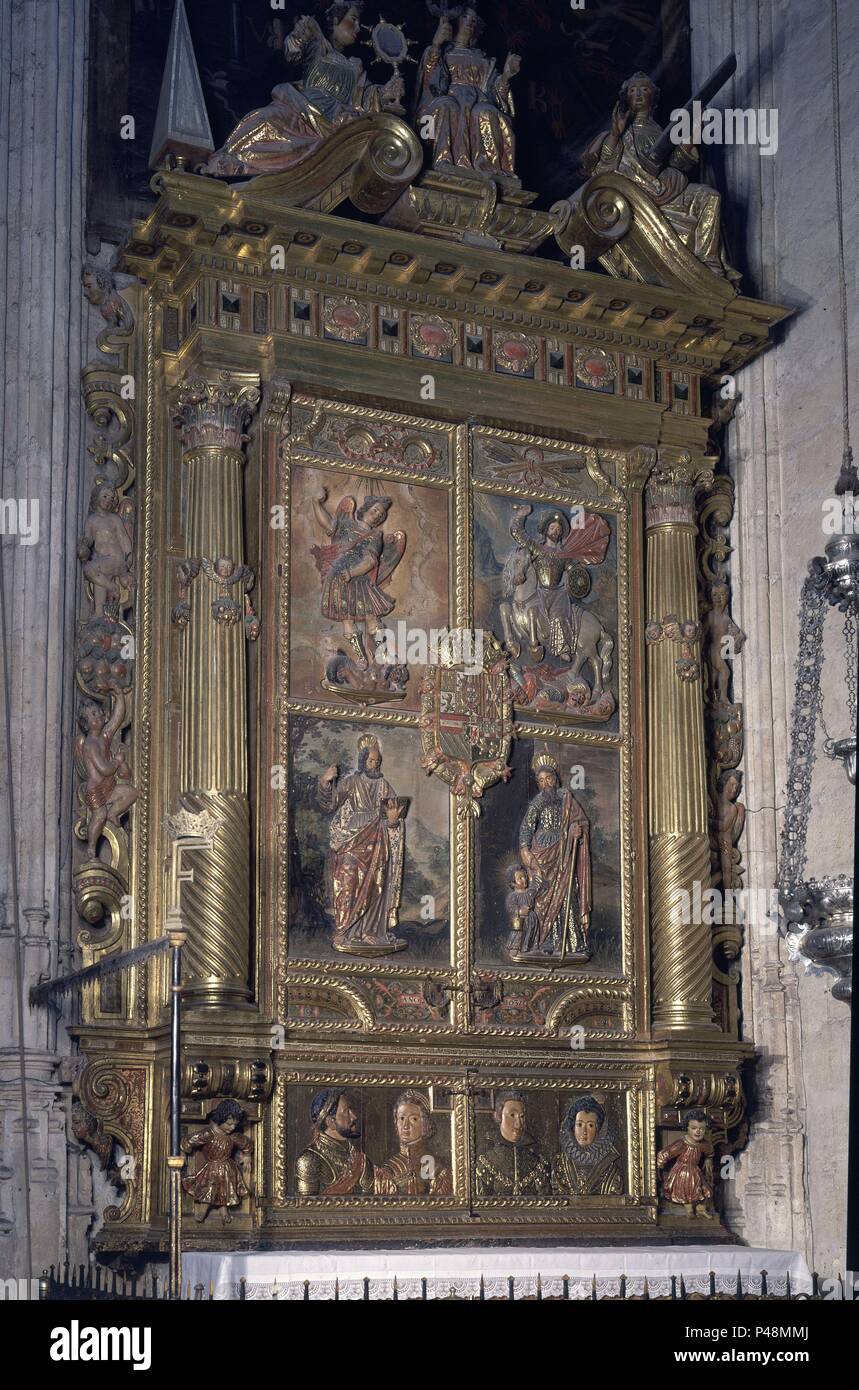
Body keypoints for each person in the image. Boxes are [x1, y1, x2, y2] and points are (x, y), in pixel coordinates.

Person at [208, 5, 405, 177]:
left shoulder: (355, 66)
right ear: (335, 20)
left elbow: (363, 97)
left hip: (336, 124)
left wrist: (384, 93)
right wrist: (298, 37)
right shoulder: (318, 44)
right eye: (352, 20)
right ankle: (233, 160)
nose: (357, 28)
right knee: (267, 118)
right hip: (301, 109)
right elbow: (292, 53)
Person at [581, 71, 739, 283]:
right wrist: (616, 135)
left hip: (667, 190)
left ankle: (709, 263)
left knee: (710, 197)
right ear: (625, 97)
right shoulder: (618, 133)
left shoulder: (660, 132)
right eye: (633, 90)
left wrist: (694, 134)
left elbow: (677, 164)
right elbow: (603, 171)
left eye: (644, 90)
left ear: (653, 97)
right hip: (637, 196)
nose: (638, 94)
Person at [318, 734, 408, 955]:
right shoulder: (351, 782)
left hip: (377, 844)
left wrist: (394, 820)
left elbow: (393, 816)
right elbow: (330, 804)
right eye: (370, 761)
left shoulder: (384, 786)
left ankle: (370, 932)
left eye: (377, 762)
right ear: (362, 761)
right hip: (351, 842)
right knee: (347, 886)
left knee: (376, 887)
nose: (374, 765)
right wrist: (325, 782)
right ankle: (344, 931)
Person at [415, 7, 520, 176]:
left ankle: (489, 168)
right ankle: (441, 159)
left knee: (486, 112)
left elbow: (496, 94)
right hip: (447, 97)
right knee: (448, 107)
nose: (470, 22)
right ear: (456, 21)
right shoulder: (442, 52)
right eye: (465, 17)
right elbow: (429, 80)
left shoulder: (485, 60)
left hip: (479, 101)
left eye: (474, 20)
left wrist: (506, 77)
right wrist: (436, 45)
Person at [518, 752, 591, 958]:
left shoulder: (565, 798)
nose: (545, 783)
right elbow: (526, 827)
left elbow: (582, 821)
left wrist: (578, 829)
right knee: (542, 896)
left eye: (548, 778)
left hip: (564, 850)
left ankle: (573, 941)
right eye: (540, 780)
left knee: (567, 894)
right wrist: (525, 848)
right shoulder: (537, 803)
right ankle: (545, 940)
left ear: (555, 779)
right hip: (541, 852)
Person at [295, 1089, 380, 1195]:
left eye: (351, 1110)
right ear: (331, 1122)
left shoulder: (362, 1161)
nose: (354, 1117)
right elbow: (307, 1209)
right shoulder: (308, 1161)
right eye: (346, 1112)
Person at [181, 1100, 252, 1224]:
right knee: (209, 1188)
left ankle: (224, 1210)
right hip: (212, 1168)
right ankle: (203, 1209)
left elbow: (246, 1143)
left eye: (235, 1124)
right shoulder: (209, 1133)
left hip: (228, 1168)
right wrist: (183, 1153)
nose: (232, 1127)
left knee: (225, 1190)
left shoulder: (233, 1136)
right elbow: (190, 1140)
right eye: (229, 1124)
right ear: (220, 1119)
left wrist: (247, 1156)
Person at [375, 1089, 453, 1195]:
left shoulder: (439, 1170)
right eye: (401, 1118)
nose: (405, 1126)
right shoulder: (387, 1171)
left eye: (414, 1119)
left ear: (425, 1124)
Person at [475, 1091, 551, 1196]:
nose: (518, 1124)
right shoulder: (485, 1162)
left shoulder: (538, 1163)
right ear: (498, 1116)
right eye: (512, 1115)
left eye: (522, 1116)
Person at [552, 1093, 623, 1196]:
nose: (584, 1131)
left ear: (598, 1129)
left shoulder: (609, 1164)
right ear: (573, 1127)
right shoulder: (561, 1162)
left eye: (590, 1125)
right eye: (579, 1125)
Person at [657, 1108, 715, 1218]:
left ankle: (700, 1209)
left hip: (695, 1170)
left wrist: (708, 1159)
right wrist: (660, 1163)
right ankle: (689, 1210)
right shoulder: (682, 1144)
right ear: (686, 1128)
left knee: (704, 1189)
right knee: (686, 1189)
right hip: (682, 1171)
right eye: (694, 1128)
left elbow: (710, 1151)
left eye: (702, 1129)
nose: (698, 1131)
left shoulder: (703, 1144)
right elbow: (667, 1152)